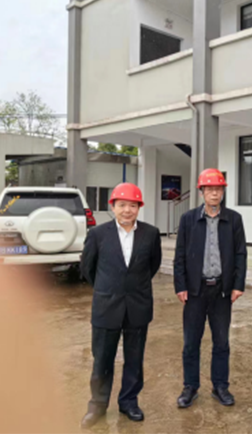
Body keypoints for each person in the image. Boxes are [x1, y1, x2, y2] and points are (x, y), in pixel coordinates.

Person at [80, 183, 162, 428]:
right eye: (122, 205)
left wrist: (132, 286)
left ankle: (129, 402)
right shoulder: (98, 234)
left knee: (134, 359)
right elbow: (88, 268)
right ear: (113, 206)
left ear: (139, 208)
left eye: (133, 205)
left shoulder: (151, 233)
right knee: (102, 360)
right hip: (106, 306)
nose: (127, 210)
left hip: (138, 305)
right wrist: (108, 288)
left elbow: (153, 265)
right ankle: (97, 405)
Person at [174, 169, 247, 408]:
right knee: (190, 342)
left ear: (223, 192)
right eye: (210, 189)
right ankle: (190, 386)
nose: (214, 193)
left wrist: (237, 285)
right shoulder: (188, 219)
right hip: (195, 290)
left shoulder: (234, 219)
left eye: (218, 189)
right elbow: (180, 254)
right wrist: (180, 285)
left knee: (221, 341)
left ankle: (220, 386)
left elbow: (240, 253)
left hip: (222, 291)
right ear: (202, 192)